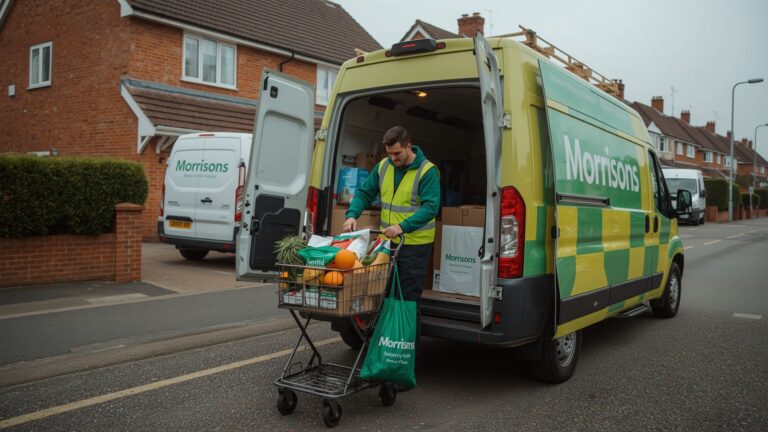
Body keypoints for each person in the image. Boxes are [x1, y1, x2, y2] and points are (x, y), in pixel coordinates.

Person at [343, 126, 440, 350]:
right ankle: (385, 349)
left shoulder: (427, 171)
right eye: (389, 153)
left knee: (407, 302)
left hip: (414, 247)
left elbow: (431, 207)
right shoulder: (384, 166)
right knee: (382, 297)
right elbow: (364, 193)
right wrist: (351, 215)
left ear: (409, 146)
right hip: (387, 245)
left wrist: (403, 226)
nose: (393, 158)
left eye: (397, 153)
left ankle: (405, 357)